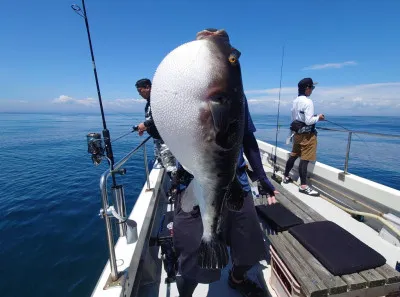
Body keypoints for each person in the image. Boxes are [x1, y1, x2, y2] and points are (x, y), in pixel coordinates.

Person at [283, 77, 325, 196]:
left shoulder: (295, 101)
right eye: (312, 87)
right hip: (307, 136)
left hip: (296, 133)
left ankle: (285, 176)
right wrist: (319, 118)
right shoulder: (308, 101)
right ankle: (303, 186)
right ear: (307, 88)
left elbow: (297, 117)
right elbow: (308, 120)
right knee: (305, 160)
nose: (312, 90)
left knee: (294, 155)